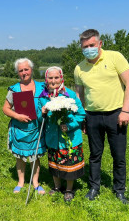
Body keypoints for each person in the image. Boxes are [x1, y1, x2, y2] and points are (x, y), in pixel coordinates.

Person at [74, 29, 129, 204]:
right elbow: (80, 96)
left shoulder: (115, 57)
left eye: (92, 45)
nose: (88, 49)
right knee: (95, 155)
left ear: (100, 44)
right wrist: (81, 118)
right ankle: (94, 187)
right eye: (85, 46)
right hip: (92, 116)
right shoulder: (79, 68)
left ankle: (119, 190)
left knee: (119, 155)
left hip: (116, 114)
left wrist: (125, 110)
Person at [39, 66, 86, 202]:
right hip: (53, 137)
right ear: (46, 79)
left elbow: (81, 113)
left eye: (56, 77)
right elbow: (39, 118)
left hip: (70, 138)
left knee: (70, 164)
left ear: (61, 78)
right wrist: (42, 113)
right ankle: (57, 186)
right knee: (54, 162)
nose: (53, 81)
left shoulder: (69, 95)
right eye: (50, 78)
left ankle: (69, 189)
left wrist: (69, 126)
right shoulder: (43, 97)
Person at [2, 58, 47, 194]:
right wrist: (17, 116)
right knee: (20, 158)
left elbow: (50, 102)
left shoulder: (42, 87)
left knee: (35, 157)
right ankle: (21, 182)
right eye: (20, 70)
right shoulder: (14, 89)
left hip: (36, 128)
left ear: (31, 70)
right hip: (19, 129)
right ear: (18, 73)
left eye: (26, 69)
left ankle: (35, 183)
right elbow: (6, 108)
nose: (24, 72)